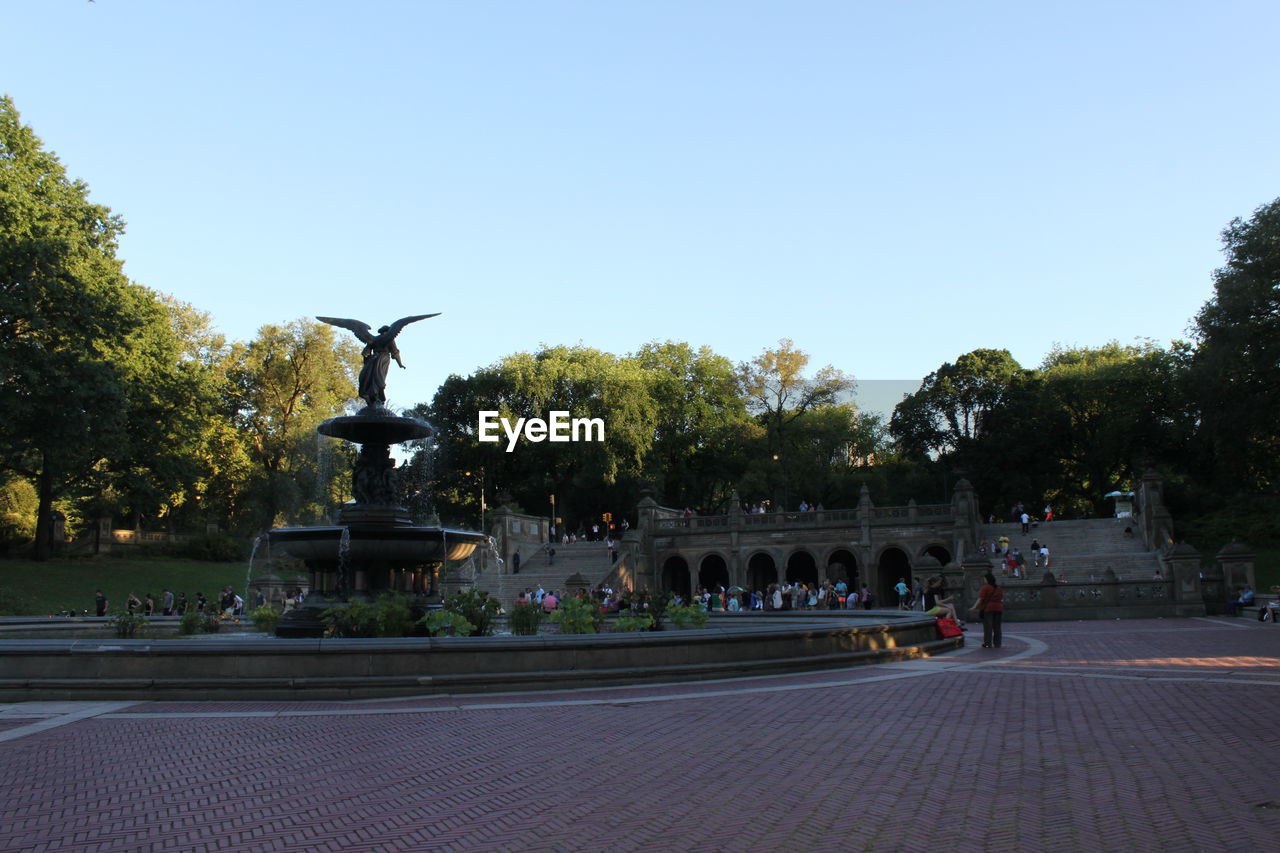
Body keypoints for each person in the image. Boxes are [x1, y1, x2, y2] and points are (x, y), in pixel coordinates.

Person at [969, 572, 1005, 648]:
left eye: (985, 579)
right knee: (997, 627)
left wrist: (974, 607)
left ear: (987, 579)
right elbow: (1002, 599)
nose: (984, 580)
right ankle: (997, 643)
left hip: (988, 609)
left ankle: (987, 643)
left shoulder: (985, 587)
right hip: (998, 608)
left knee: (988, 627)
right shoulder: (999, 588)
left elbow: (980, 599)